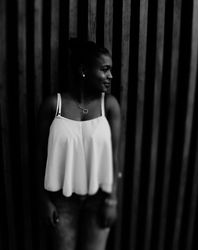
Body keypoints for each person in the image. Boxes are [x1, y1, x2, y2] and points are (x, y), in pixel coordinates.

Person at [36, 38, 121, 250]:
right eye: (104, 69)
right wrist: (43, 200)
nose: (110, 76)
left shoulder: (109, 105)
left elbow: (115, 155)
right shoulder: (52, 105)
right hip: (61, 200)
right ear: (83, 70)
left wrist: (112, 199)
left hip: (99, 199)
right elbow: (39, 155)